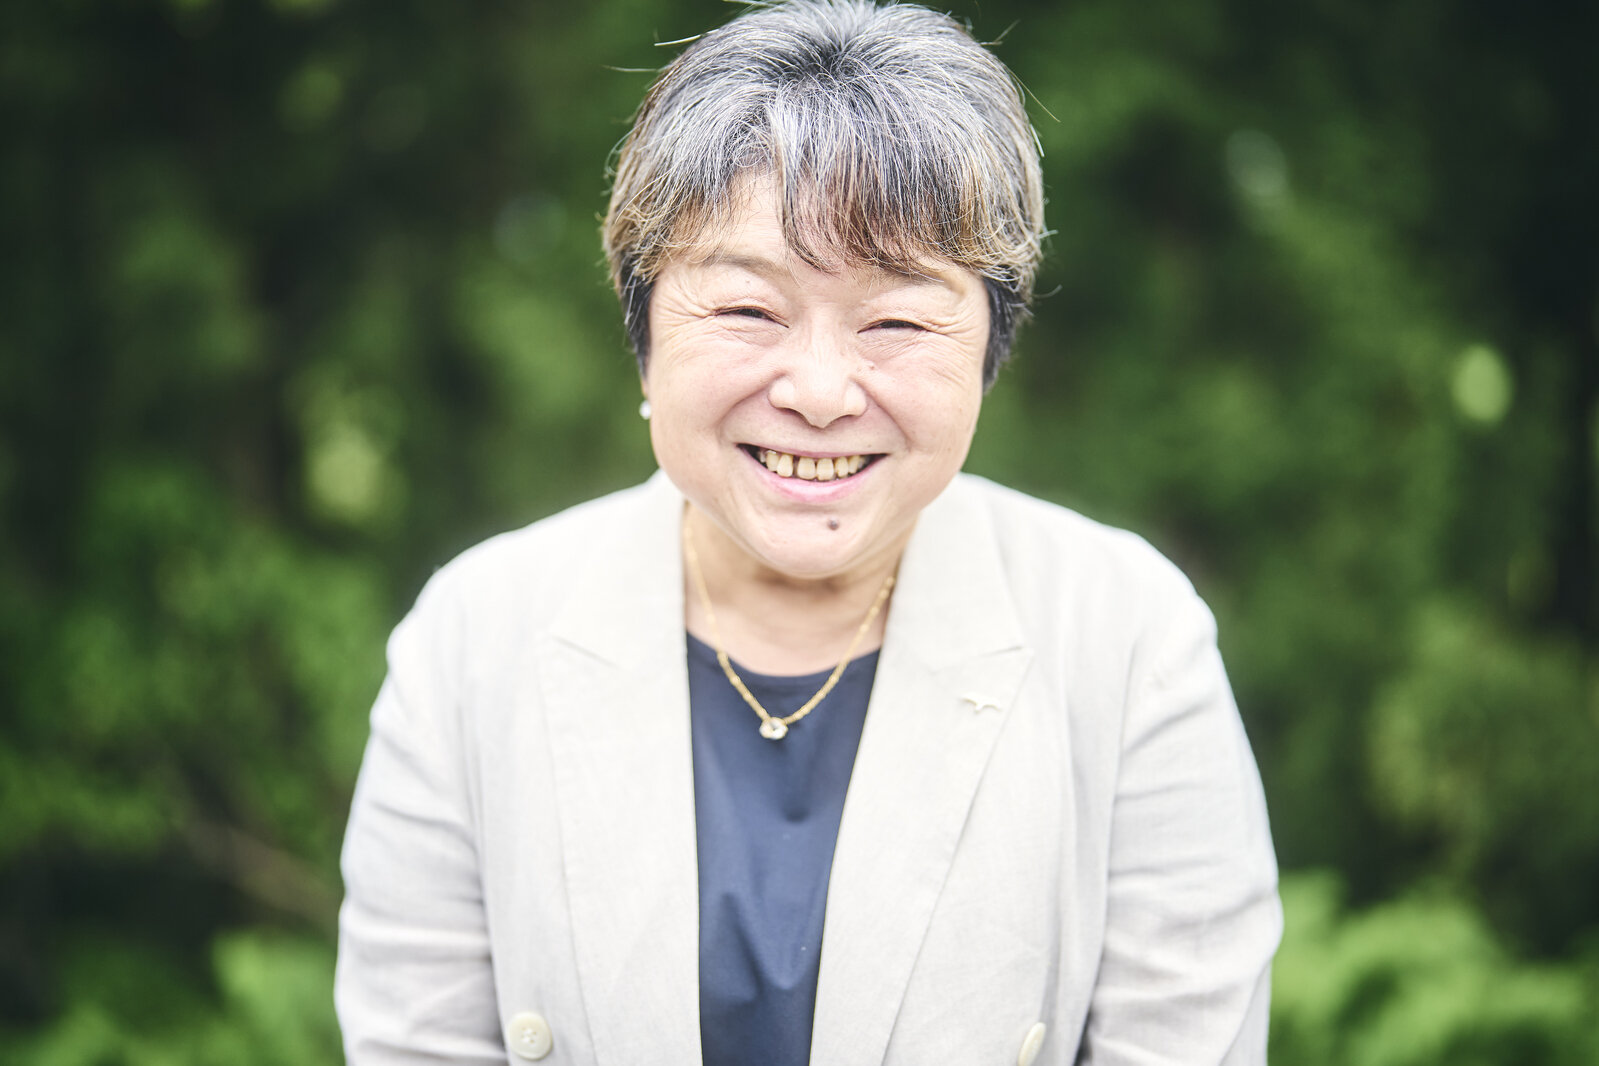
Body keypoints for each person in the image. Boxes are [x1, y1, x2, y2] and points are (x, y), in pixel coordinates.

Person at [334, 1, 1282, 1063]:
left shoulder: (1126, 637)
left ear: (989, 350)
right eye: (750, 310)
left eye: (897, 321)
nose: (822, 392)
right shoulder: (474, 639)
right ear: (643, 330)